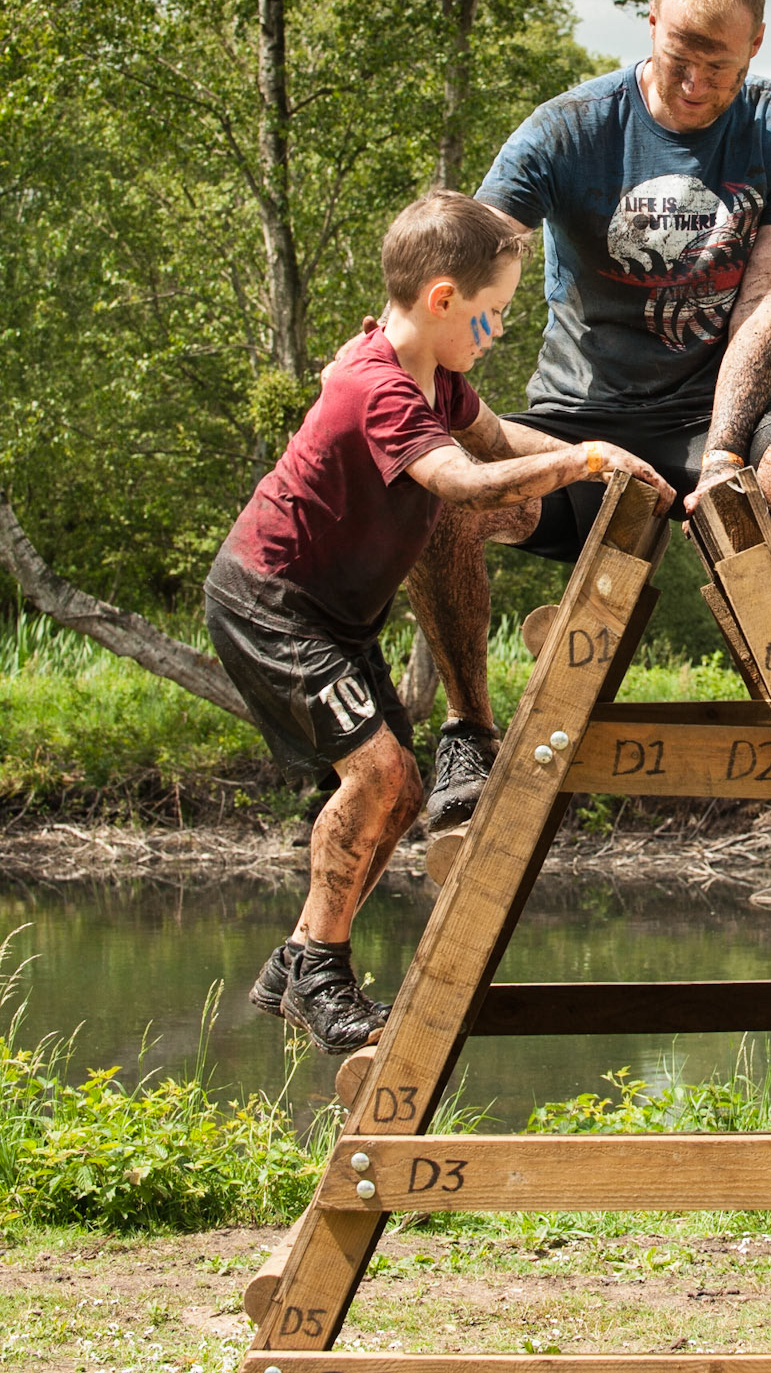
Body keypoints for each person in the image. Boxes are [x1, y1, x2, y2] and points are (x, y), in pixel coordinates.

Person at [410, 0, 771, 832]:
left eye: (718, 65)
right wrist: (409, 370)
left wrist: (728, 450)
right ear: (649, 22)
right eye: (678, 55)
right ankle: (466, 729)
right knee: (434, 501)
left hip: (720, 413)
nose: (694, 82)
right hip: (580, 426)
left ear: (757, 45)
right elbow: (468, 262)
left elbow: (767, 300)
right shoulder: (565, 128)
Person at [204, 191, 671, 1056]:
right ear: (443, 299)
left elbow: (498, 444)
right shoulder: (378, 387)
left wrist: (612, 466)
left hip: (336, 617)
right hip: (269, 601)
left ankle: (300, 954)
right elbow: (461, 485)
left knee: (405, 790)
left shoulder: (437, 376)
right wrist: (583, 455)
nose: (497, 333)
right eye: (494, 316)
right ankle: (320, 973)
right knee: (378, 774)